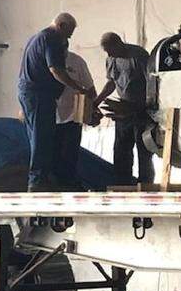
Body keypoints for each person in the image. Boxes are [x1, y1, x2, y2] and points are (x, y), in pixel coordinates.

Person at [17, 13, 89, 192]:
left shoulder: (36, 38)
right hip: (40, 95)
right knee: (43, 137)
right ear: (61, 25)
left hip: (29, 93)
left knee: (38, 136)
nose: (70, 37)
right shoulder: (52, 38)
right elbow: (56, 70)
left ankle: (41, 178)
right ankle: (37, 181)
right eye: (69, 33)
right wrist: (77, 87)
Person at [93, 32, 154, 185]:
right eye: (106, 51)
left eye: (110, 50)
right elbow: (111, 83)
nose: (109, 54)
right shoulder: (111, 59)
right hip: (122, 110)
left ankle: (145, 184)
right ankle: (122, 183)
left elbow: (151, 82)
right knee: (121, 149)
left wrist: (147, 105)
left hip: (141, 109)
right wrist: (97, 101)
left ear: (119, 43)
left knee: (143, 149)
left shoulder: (139, 55)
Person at [54, 47, 98, 190]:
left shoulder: (76, 61)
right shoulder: (45, 60)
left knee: (70, 155)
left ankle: (68, 185)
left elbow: (90, 90)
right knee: (52, 156)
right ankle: (54, 185)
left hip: (72, 117)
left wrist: (91, 111)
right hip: (49, 117)